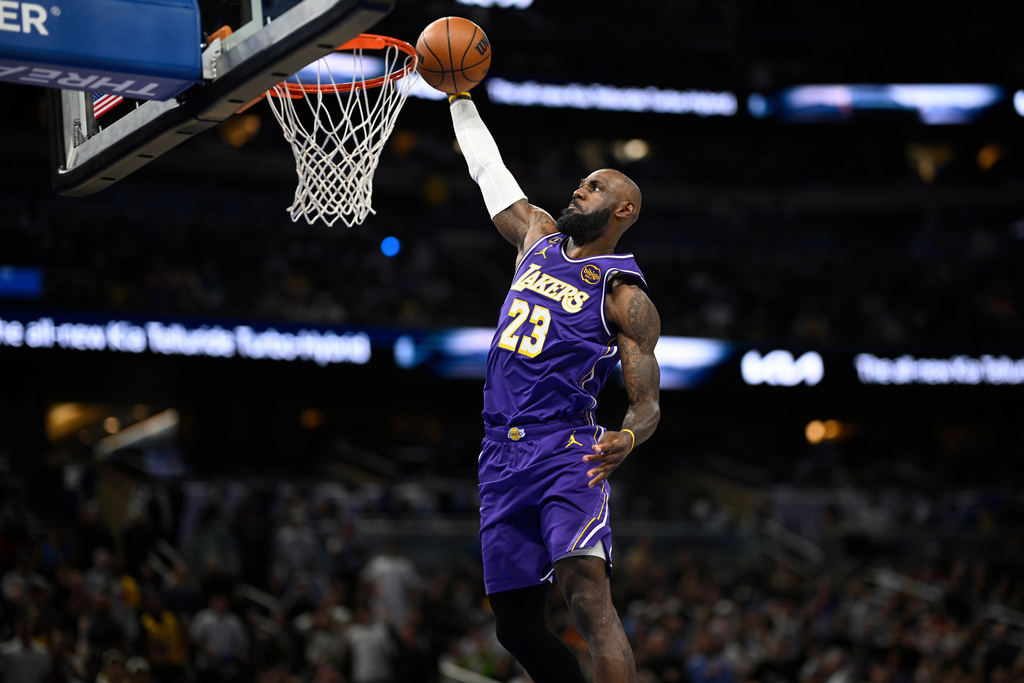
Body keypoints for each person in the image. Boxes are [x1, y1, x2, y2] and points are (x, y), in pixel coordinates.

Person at [446, 90, 662, 683]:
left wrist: (626, 438)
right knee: (513, 626)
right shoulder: (535, 239)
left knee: (587, 598)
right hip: (499, 454)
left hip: (567, 451)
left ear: (623, 211)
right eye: (582, 183)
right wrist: (460, 100)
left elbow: (647, 403)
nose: (578, 190)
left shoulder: (624, 296)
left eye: (594, 187)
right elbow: (489, 170)